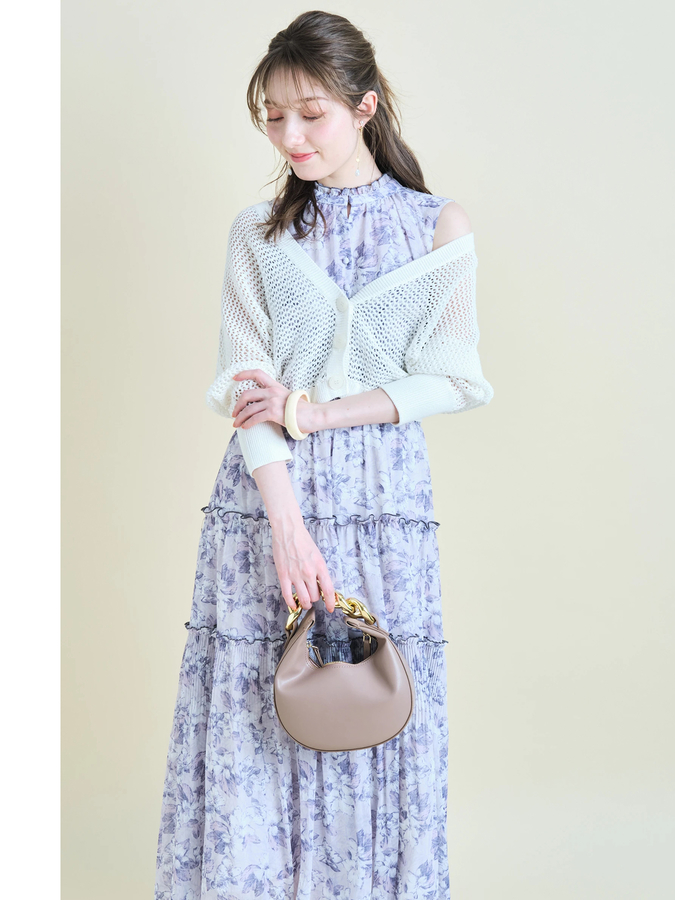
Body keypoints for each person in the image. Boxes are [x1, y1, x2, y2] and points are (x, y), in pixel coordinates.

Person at [154, 10, 493, 900]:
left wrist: (317, 411)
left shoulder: (436, 226)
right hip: (269, 501)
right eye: (273, 116)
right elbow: (245, 389)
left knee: (372, 707)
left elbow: (454, 379)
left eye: (311, 114)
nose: (289, 136)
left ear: (364, 106)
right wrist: (287, 527)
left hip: (387, 505)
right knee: (259, 715)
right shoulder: (257, 234)